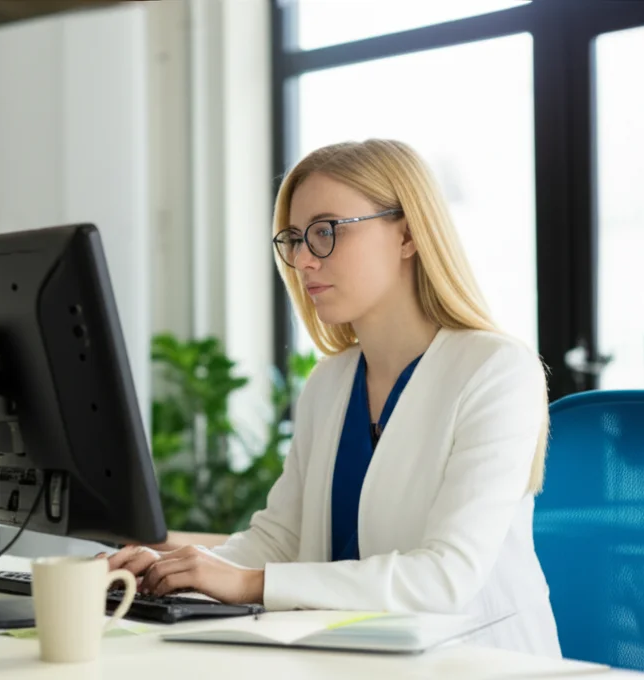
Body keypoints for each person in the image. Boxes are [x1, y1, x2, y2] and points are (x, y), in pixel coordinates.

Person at [107, 139, 561, 657]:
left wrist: (250, 583)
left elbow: (444, 579)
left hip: (479, 662)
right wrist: (170, 564)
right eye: (295, 239)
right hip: (353, 656)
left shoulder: (494, 370)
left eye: (324, 233)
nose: (302, 259)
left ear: (408, 233)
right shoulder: (330, 383)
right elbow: (278, 542)